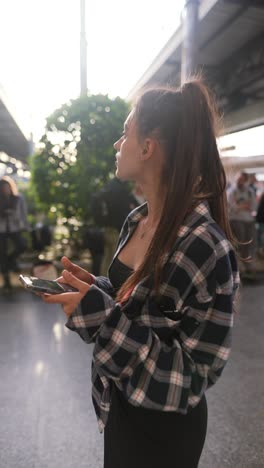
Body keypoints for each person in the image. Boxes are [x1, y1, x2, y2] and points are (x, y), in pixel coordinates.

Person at [43, 78, 239, 468]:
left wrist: (100, 317)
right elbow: (136, 306)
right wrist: (92, 289)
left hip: (165, 429)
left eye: (124, 133)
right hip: (120, 405)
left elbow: (193, 376)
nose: (118, 145)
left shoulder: (204, 244)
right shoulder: (138, 220)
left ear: (148, 148)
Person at [0, 176, 28, 290]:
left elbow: (23, 213)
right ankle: (6, 281)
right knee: (2, 254)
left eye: (7, 187)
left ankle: (11, 261)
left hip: (14, 227)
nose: (5, 190)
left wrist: (25, 226)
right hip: (1, 229)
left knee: (22, 245)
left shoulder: (18, 198)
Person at [228, 171, 257, 275]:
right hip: (236, 220)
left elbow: (253, 206)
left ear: (245, 180)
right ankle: (239, 267)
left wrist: (240, 206)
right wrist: (243, 206)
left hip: (249, 220)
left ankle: (249, 265)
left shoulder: (250, 192)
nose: (239, 181)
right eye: (238, 179)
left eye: (242, 180)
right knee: (240, 243)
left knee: (250, 244)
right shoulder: (232, 192)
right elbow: (231, 207)